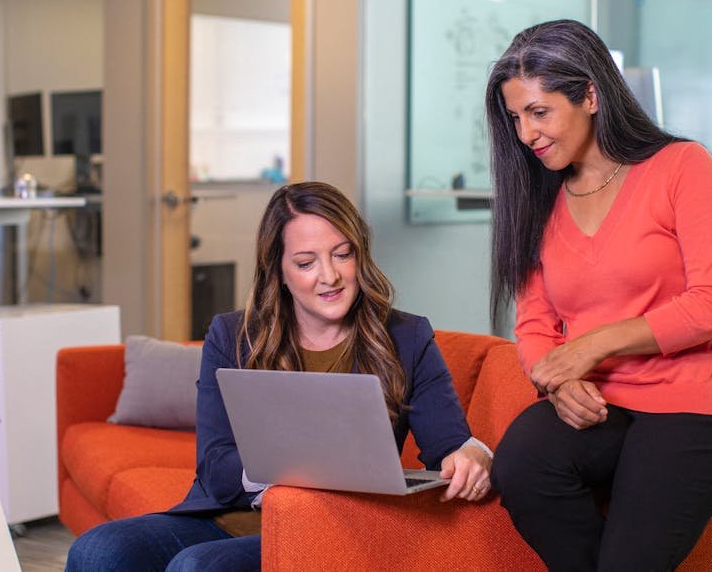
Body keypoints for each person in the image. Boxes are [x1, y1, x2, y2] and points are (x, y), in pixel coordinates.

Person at [66, 181, 492, 571]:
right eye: (306, 263)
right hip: (230, 517)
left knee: (199, 567)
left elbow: (448, 447)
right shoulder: (233, 336)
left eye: (343, 254)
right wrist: (288, 471)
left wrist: (472, 456)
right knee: (97, 550)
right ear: (279, 271)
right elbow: (215, 468)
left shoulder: (406, 336)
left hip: (333, 526)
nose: (330, 276)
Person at [484, 19, 712, 571]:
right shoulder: (539, 198)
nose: (527, 134)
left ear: (590, 95)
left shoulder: (682, 167)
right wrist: (556, 380)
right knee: (521, 463)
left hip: (692, 406)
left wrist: (594, 346)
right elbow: (534, 325)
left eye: (539, 112)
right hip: (599, 405)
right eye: (516, 119)